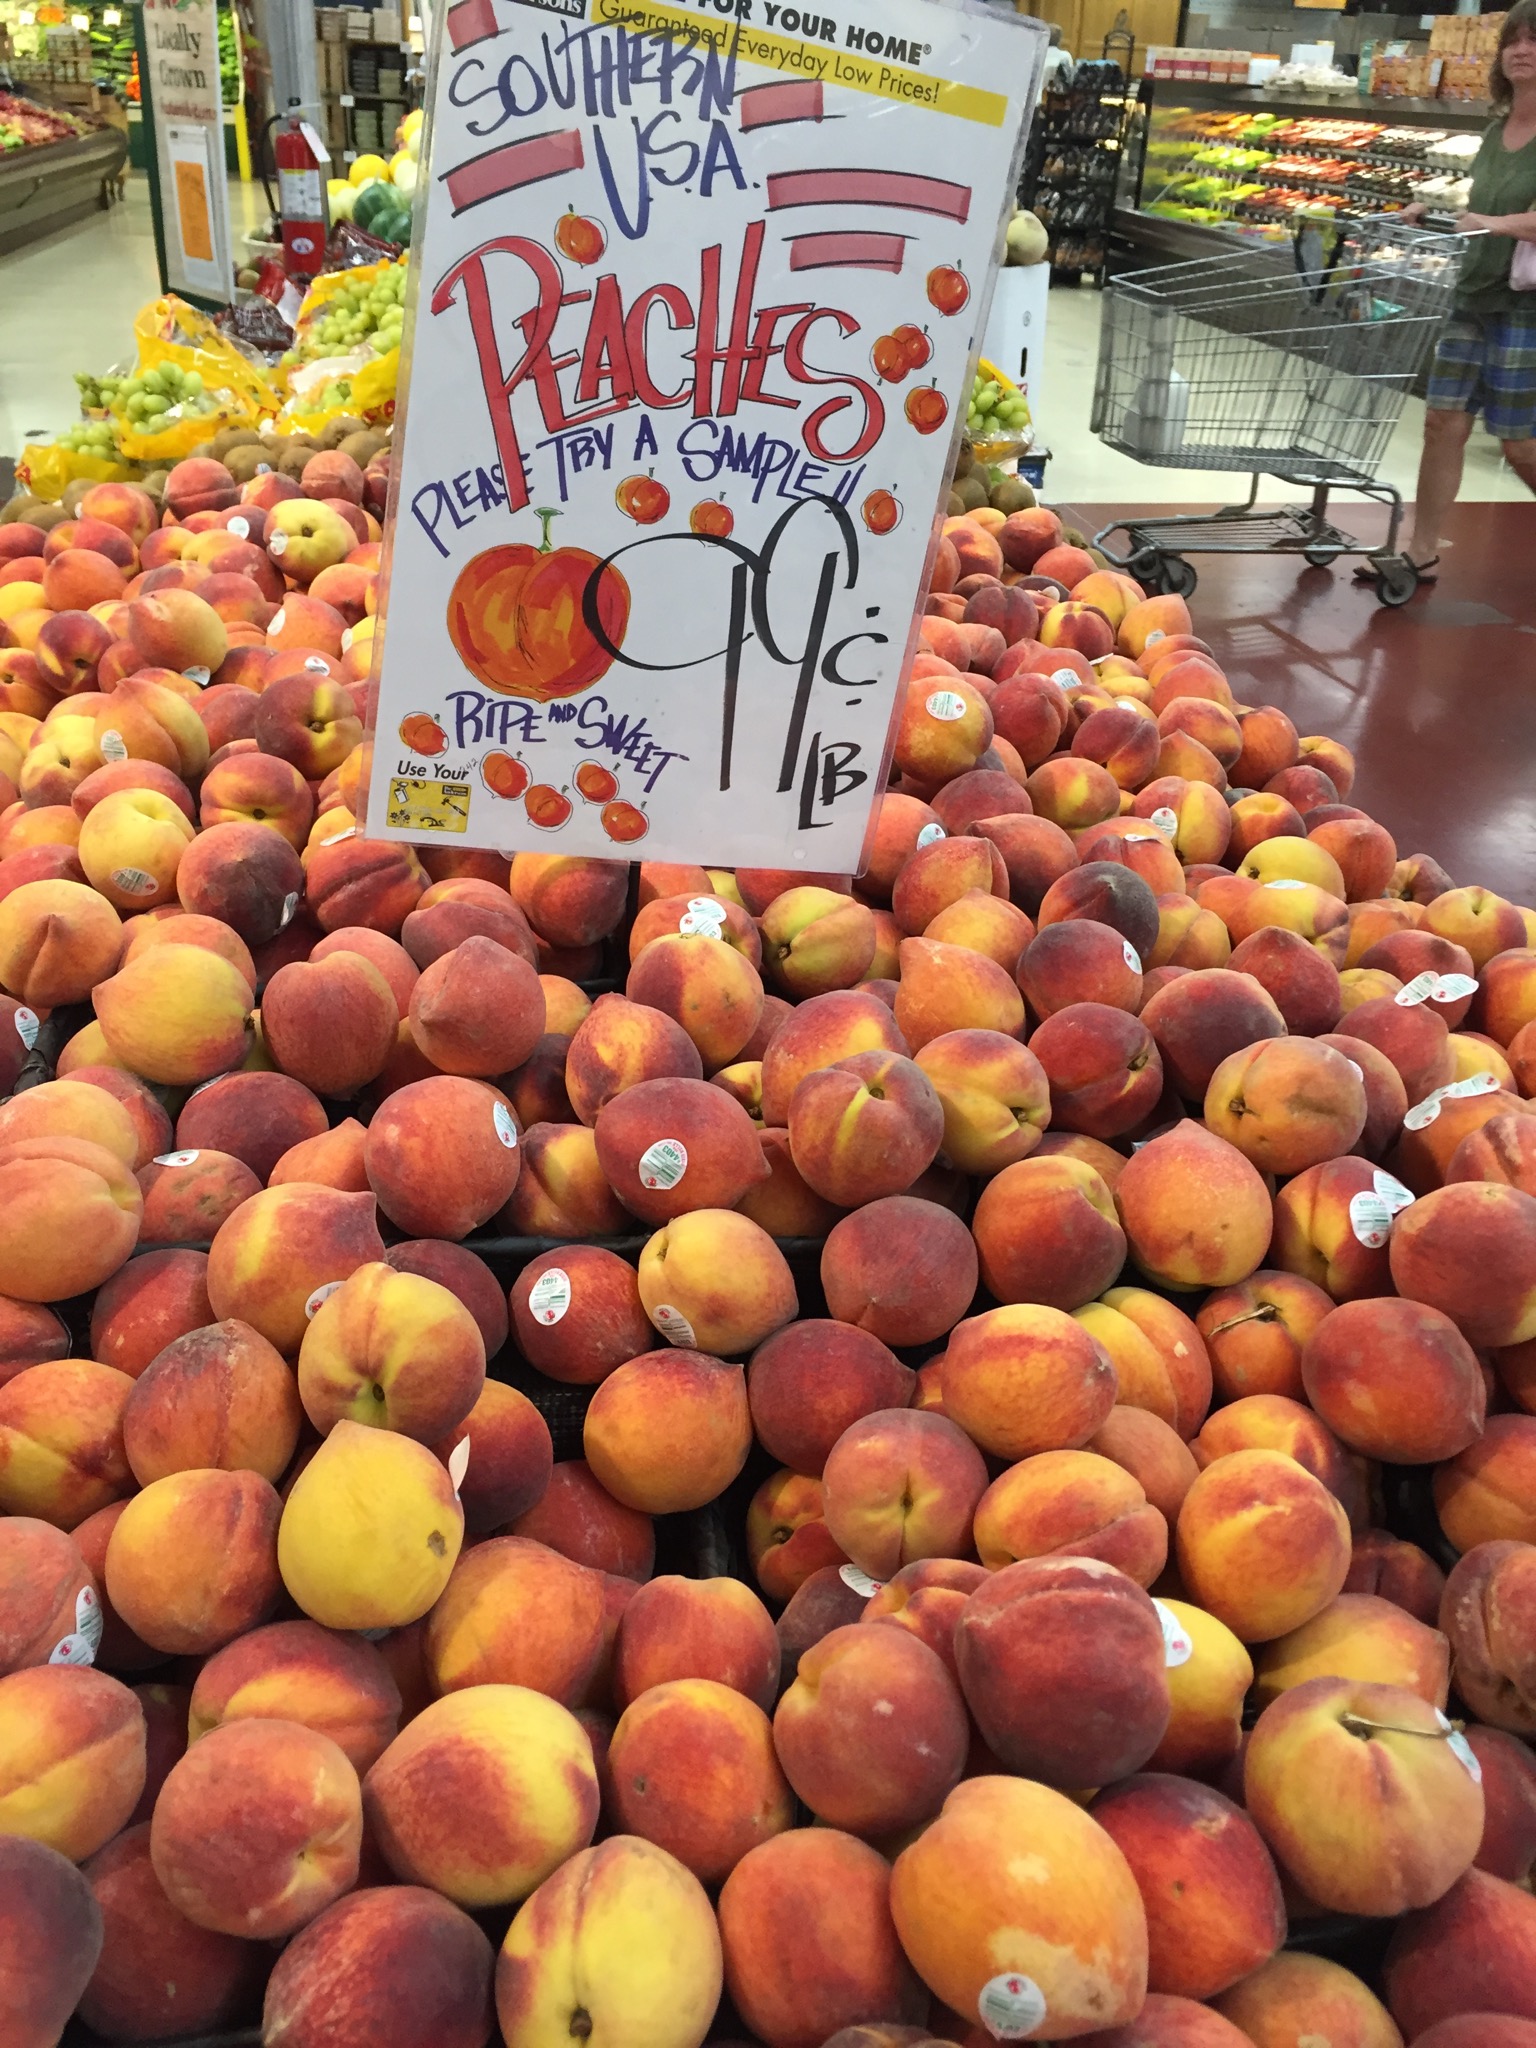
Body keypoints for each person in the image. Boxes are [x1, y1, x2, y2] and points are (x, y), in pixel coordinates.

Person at [1400, 0, 1536, 578]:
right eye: (1514, 40)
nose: (1522, 50)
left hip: (1524, 306)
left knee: (1520, 443)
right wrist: (1428, 208)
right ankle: (1420, 551)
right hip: (1472, 294)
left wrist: (1493, 223)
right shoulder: (1494, 131)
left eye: (1534, 40)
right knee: (1442, 423)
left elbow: (1506, 218)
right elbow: (1477, 203)